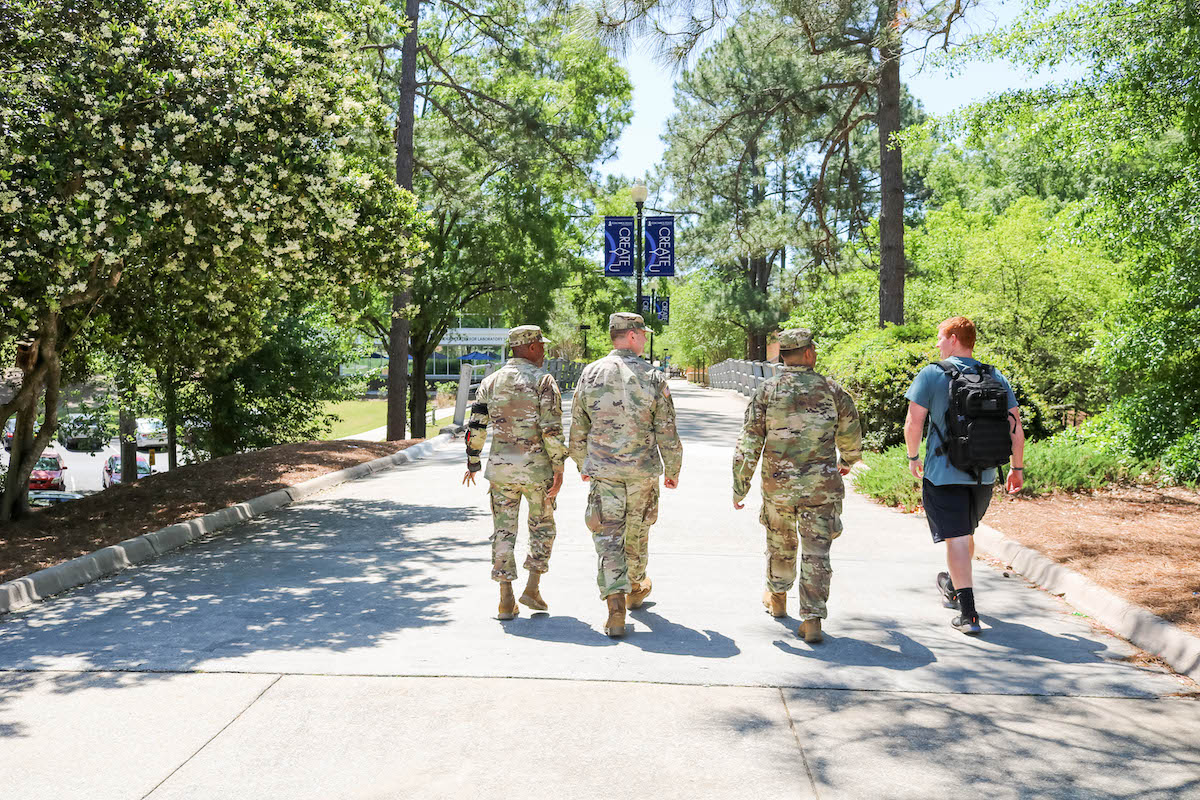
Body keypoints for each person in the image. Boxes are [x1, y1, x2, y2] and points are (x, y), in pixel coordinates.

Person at [732, 329, 862, 644]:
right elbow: (851, 435)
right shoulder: (832, 390)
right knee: (817, 553)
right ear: (807, 354)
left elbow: (750, 441)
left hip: (778, 488)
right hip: (821, 489)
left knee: (780, 544)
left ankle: (777, 599)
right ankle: (813, 618)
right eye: (813, 348)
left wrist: (740, 485)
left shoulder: (768, 390)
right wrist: (847, 460)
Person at [903, 316, 1025, 635]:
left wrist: (913, 456)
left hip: (944, 473)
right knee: (965, 533)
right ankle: (955, 586)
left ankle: (968, 613)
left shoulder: (932, 373)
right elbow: (1016, 427)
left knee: (956, 537)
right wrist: (1017, 468)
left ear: (954, 338)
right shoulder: (994, 374)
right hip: (985, 475)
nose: (938, 344)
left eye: (940, 338)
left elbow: (913, 423)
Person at [569, 312, 683, 638]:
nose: (646, 339)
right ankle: (634, 585)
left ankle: (615, 608)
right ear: (631, 335)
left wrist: (582, 464)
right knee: (637, 532)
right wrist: (673, 469)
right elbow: (668, 432)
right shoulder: (653, 377)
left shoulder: (590, 374)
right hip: (642, 472)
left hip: (604, 472)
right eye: (643, 334)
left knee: (607, 538)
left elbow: (578, 427)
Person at [464, 325, 566, 620]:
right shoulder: (543, 381)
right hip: (537, 472)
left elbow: (477, 426)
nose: (544, 351)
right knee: (542, 527)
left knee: (503, 531)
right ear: (531, 347)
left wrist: (473, 461)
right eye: (541, 346)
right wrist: (559, 466)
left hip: (501, 471)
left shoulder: (490, 381)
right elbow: (551, 429)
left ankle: (506, 598)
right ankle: (533, 588)